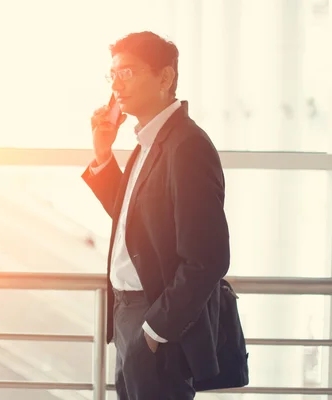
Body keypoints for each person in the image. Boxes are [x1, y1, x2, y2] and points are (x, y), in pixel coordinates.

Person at [82, 31, 233, 399]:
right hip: (129, 314)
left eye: (128, 72)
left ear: (164, 78)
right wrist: (104, 156)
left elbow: (208, 259)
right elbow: (134, 221)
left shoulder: (187, 146)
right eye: (112, 74)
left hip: (154, 319)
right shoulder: (149, 142)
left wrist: (154, 330)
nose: (116, 84)